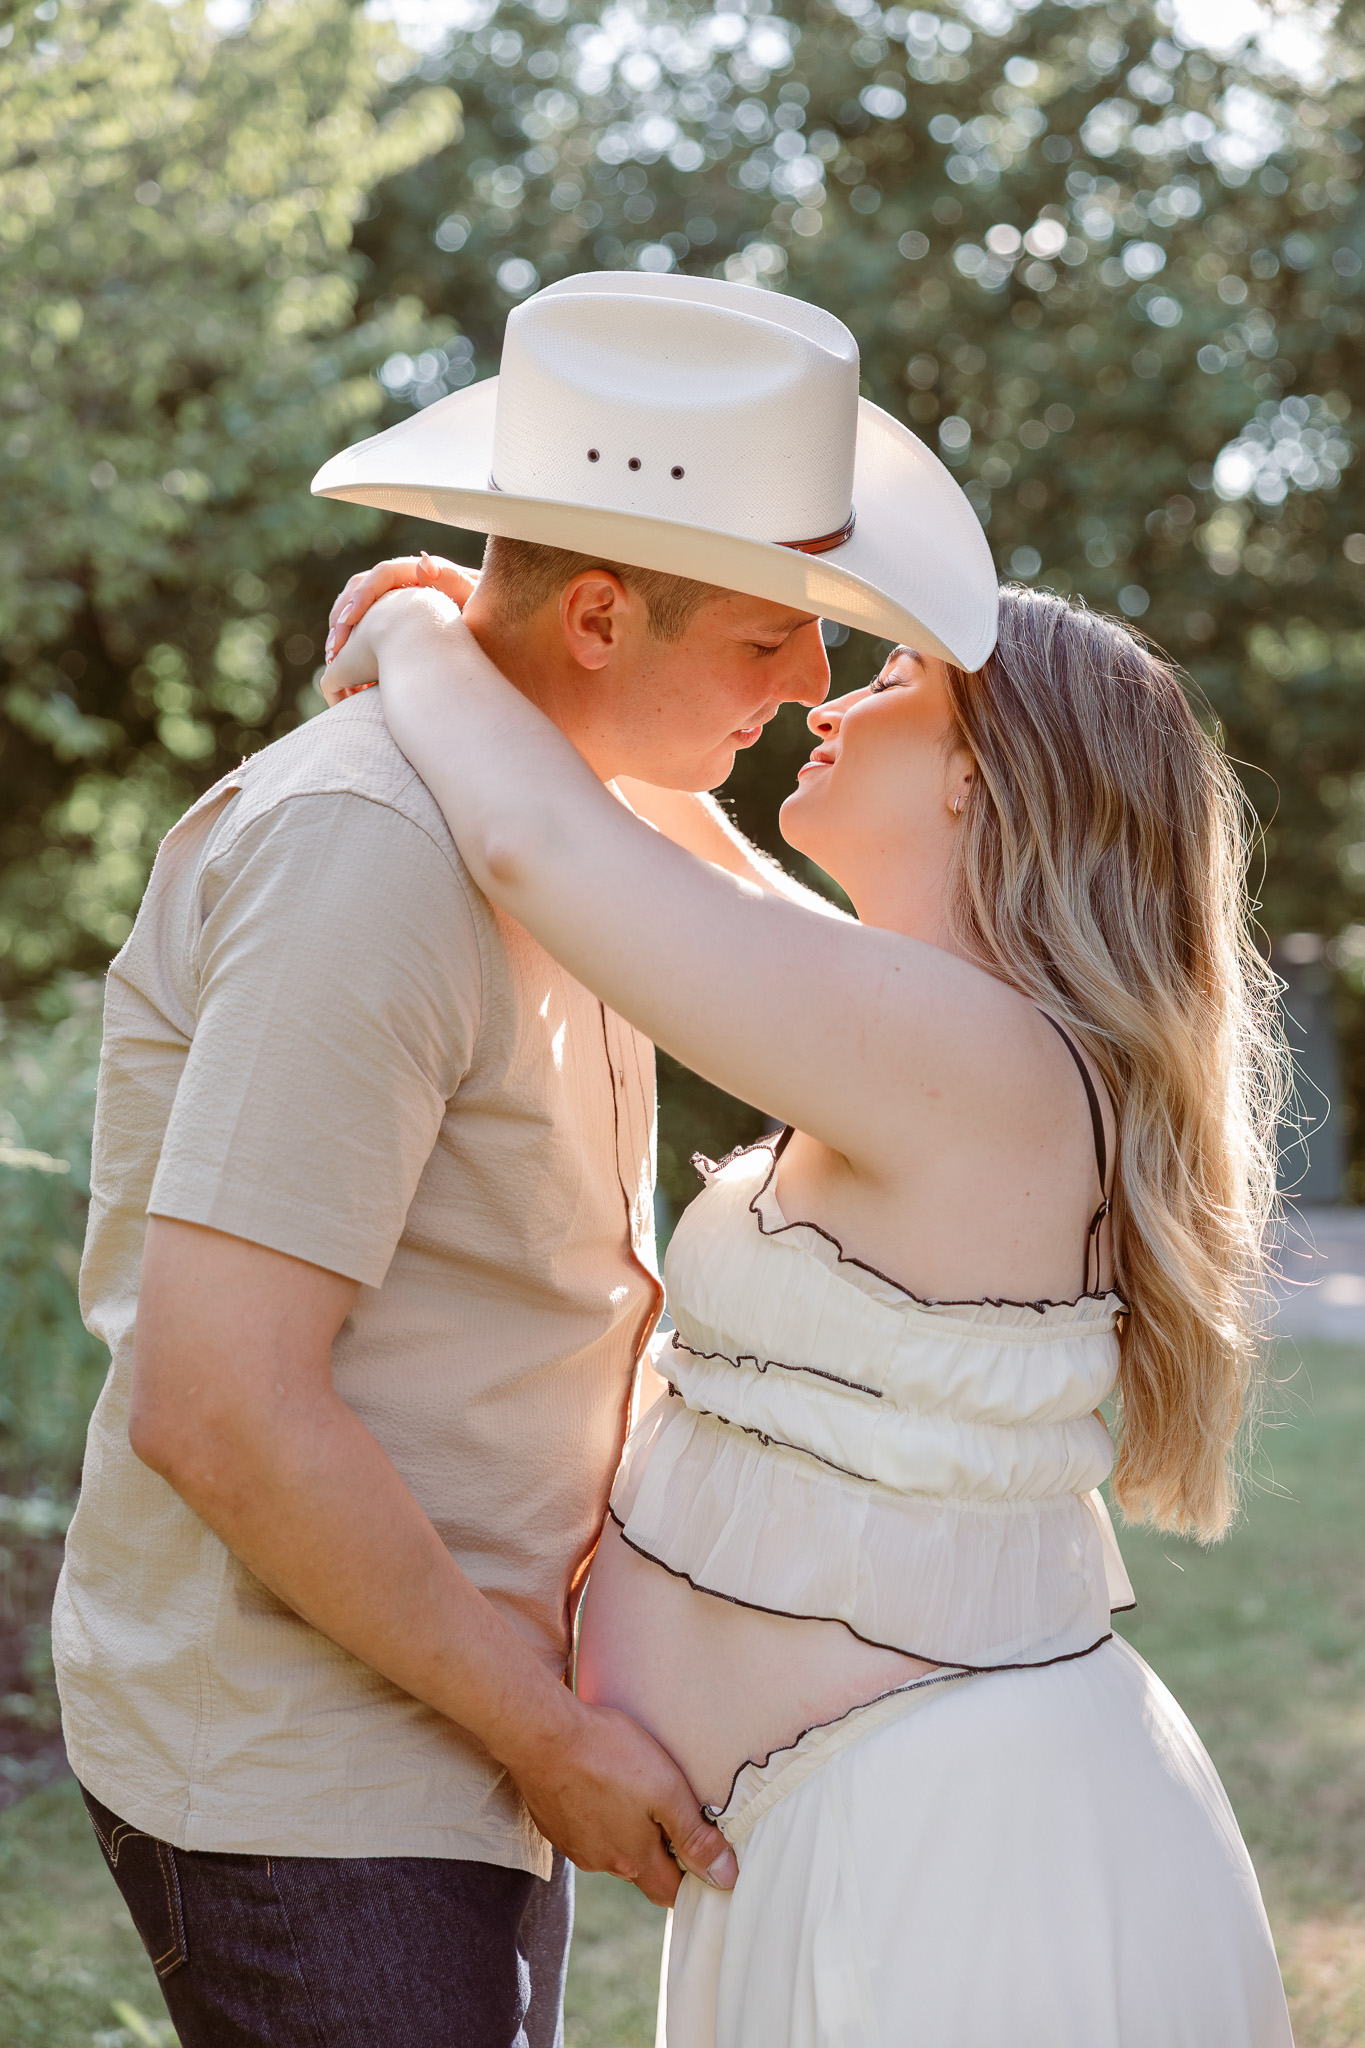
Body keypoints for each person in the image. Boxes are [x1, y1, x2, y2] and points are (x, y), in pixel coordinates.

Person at [52, 273, 997, 2046]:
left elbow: (807, 982)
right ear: (597, 617)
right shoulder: (369, 859)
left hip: (459, 1705)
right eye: (765, 639)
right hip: (315, 1765)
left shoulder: (569, 816)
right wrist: (551, 1737)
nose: (808, 686)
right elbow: (222, 1405)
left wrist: (424, 625)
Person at [319, 562, 1296, 2043]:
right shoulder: (957, 1031)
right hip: (873, 1834)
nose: (826, 705)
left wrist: (406, 632)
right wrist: (512, 652)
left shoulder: (974, 1057)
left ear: (977, 774)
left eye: (889, 681)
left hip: (949, 1874)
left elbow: (538, 844)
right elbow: (684, 871)